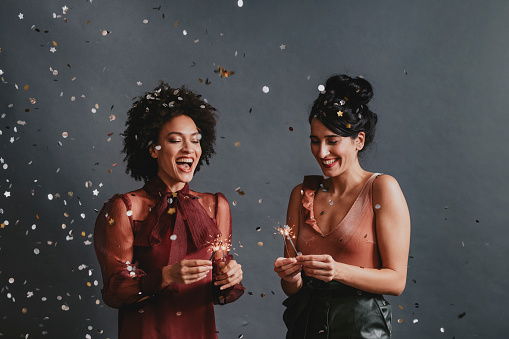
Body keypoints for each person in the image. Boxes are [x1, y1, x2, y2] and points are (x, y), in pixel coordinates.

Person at [94, 82, 244, 339]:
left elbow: (221, 284)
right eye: (176, 140)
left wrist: (229, 275)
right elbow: (114, 291)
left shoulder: (216, 206)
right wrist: (164, 276)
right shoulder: (124, 208)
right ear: (153, 149)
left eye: (195, 141)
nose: (189, 149)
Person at [274, 74, 410, 338]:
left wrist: (338, 270)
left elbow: (396, 281)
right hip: (305, 326)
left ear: (358, 140)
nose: (322, 152)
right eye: (315, 140)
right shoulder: (301, 194)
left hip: (361, 328)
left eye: (332, 140)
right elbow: (292, 289)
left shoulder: (381, 188)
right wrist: (290, 277)